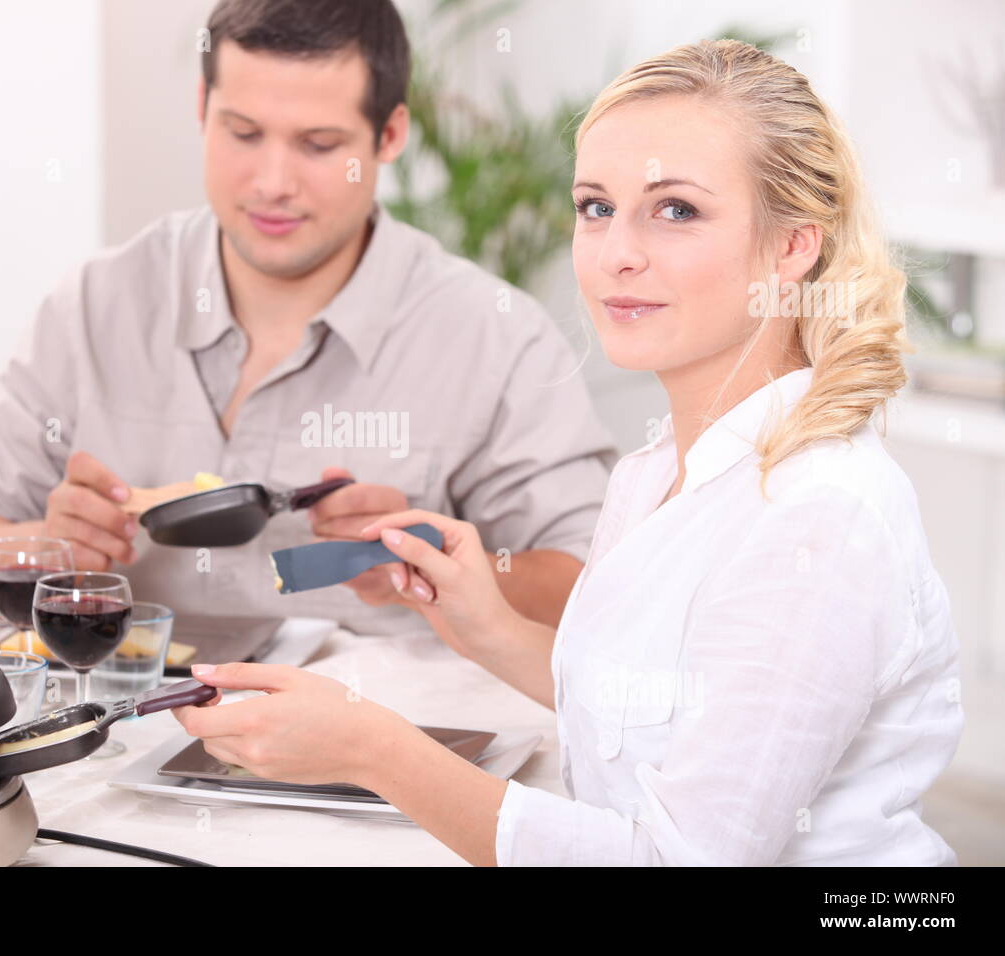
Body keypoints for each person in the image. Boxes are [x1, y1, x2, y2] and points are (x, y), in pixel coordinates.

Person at [173, 38, 965, 866]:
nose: (617, 251)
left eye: (677, 210)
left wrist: (371, 749)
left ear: (792, 247)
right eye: (596, 206)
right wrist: (485, 628)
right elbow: (654, 729)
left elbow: (675, 860)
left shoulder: (819, 518)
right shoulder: (659, 473)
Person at [0, 0, 615, 635]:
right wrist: (49, 543)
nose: (273, 183)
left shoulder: (494, 336)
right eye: (243, 132)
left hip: (384, 755)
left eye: (318, 145)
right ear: (201, 107)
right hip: (124, 738)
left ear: (390, 135)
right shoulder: (98, 304)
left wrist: (429, 568)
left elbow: (598, 591)